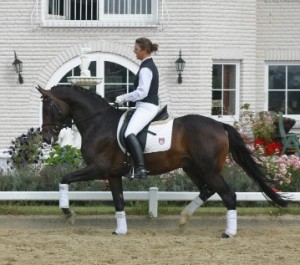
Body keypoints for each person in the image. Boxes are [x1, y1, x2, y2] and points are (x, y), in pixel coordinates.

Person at [115, 37, 160, 179]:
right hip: (143, 106)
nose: (134, 52)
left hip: (147, 107)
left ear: (145, 51)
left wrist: (123, 98)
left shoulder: (146, 68)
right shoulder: (146, 65)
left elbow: (142, 92)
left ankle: (141, 168)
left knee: (129, 132)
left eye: (136, 49)